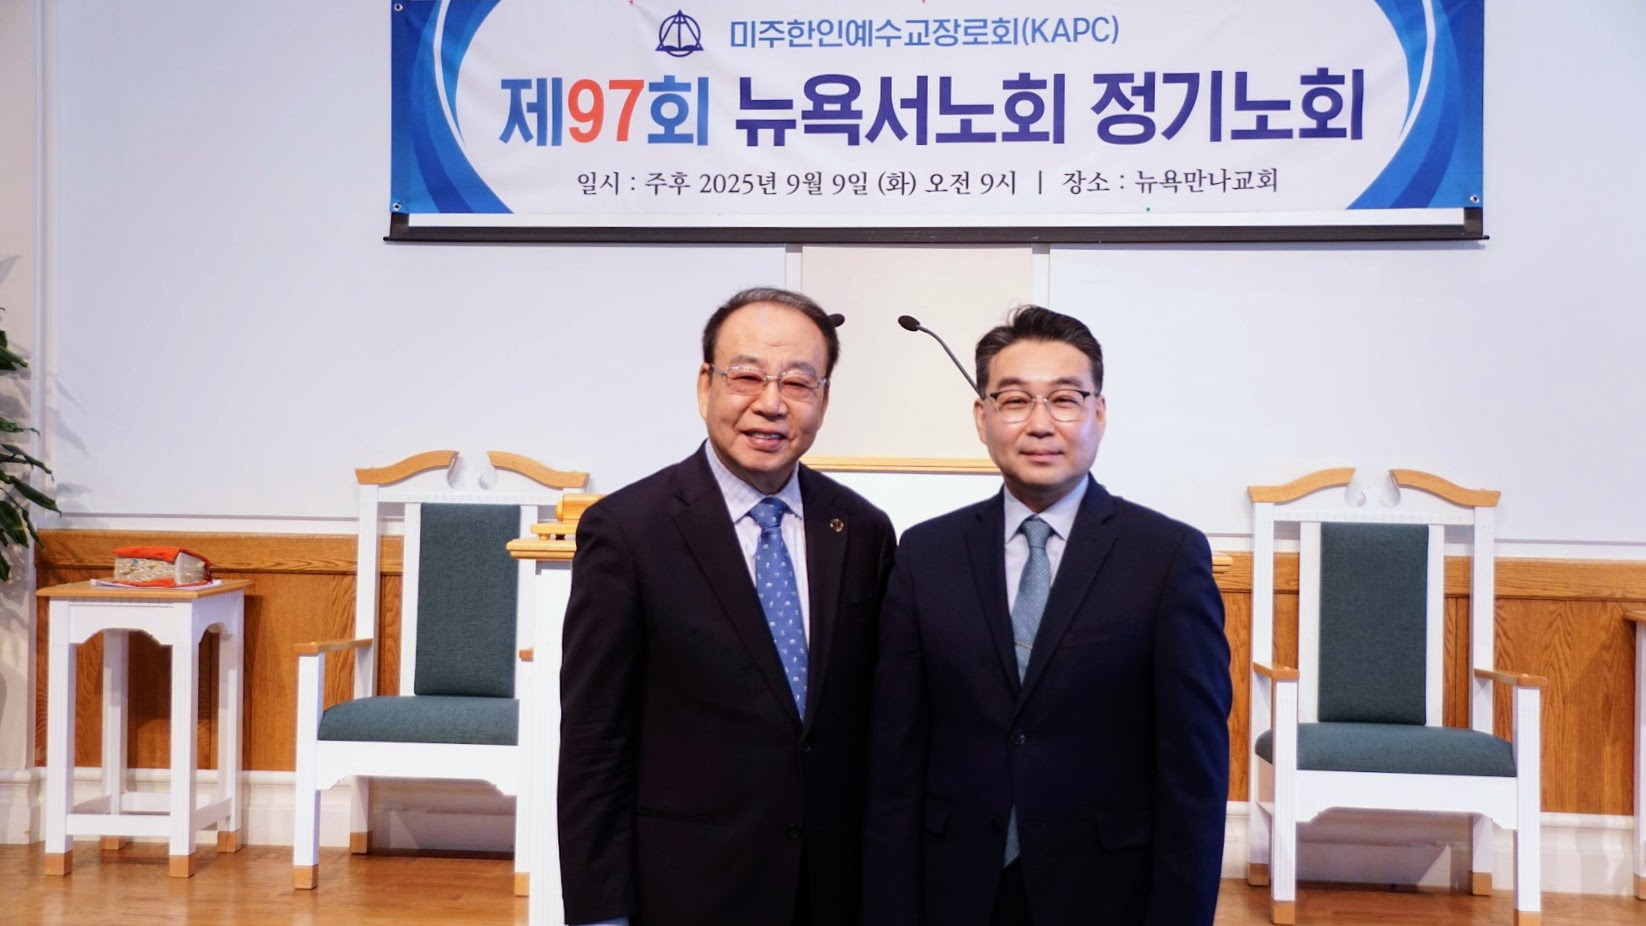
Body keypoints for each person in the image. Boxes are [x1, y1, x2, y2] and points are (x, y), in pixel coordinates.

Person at [861, 305, 1231, 926]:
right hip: (953, 883)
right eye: (1013, 401)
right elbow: (894, 760)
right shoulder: (926, 554)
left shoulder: (1167, 557)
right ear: (982, 418)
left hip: (1106, 890)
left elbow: (1194, 774)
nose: (1039, 424)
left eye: (1064, 399)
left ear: (1098, 413)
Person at [558, 287, 897, 926]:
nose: (771, 404)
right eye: (746, 377)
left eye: (798, 383)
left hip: (831, 887)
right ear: (705, 385)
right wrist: (600, 912)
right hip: (687, 886)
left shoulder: (862, 530)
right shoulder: (629, 532)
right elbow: (594, 740)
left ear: (824, 400)